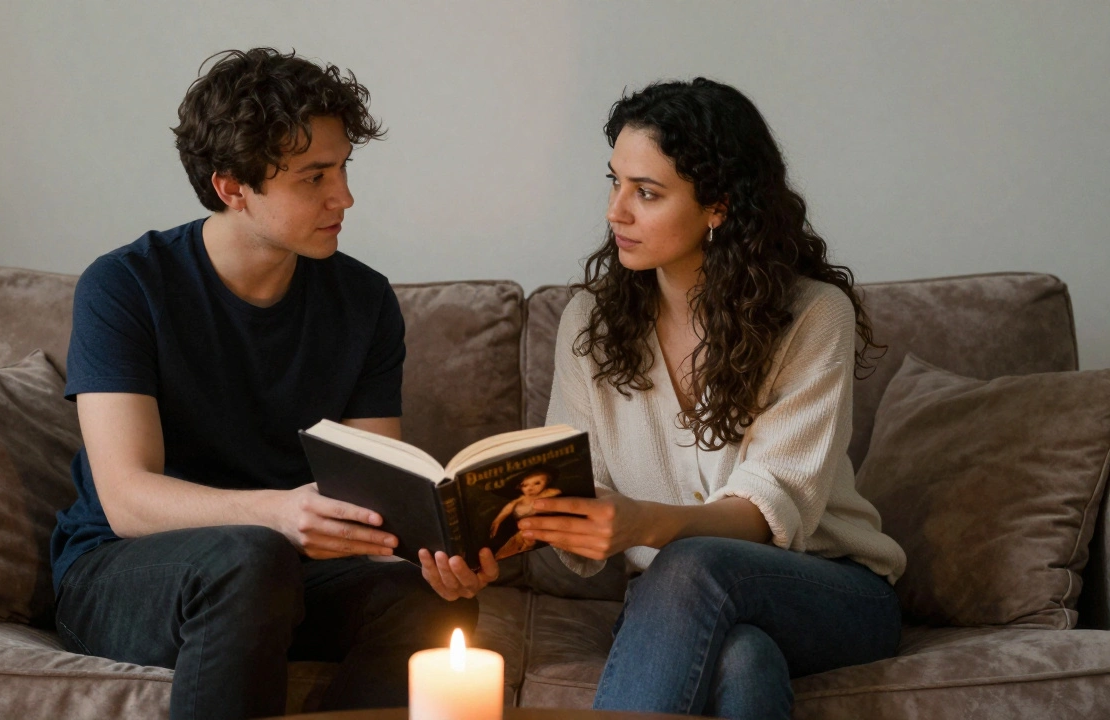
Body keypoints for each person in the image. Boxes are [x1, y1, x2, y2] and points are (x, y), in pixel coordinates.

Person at [48, 48, 484, 720]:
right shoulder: (126, 286)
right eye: (314, 177)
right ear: (233, 188)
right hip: (126, 568)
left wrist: (442, 550)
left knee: (429, 599)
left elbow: (375, 489)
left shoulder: (363, 301)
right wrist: (277, 513)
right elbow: (128, 500)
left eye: (342, 168)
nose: (344, 196)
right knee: (249, 556)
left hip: (282, 571)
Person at [518, 79, 908, 719]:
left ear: (718, 206)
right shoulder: (589, 324)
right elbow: (577, 483)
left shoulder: (811, 316)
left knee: (691, 562)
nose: (616, 211)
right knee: (742, 659)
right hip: (677, 604)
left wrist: (643, 523)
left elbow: (765, 511)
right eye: (614, 182)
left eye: (646, 193)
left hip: (832, 590)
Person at [489, 467, 563, 559]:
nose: (530, 488)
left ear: (546, 482)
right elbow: (508, 508)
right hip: (521, 531)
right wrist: (497, 521)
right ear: (519, 487)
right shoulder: (521, 500)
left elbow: (558, 497)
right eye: (525, 485)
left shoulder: (551, 493)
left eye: (537, 483)